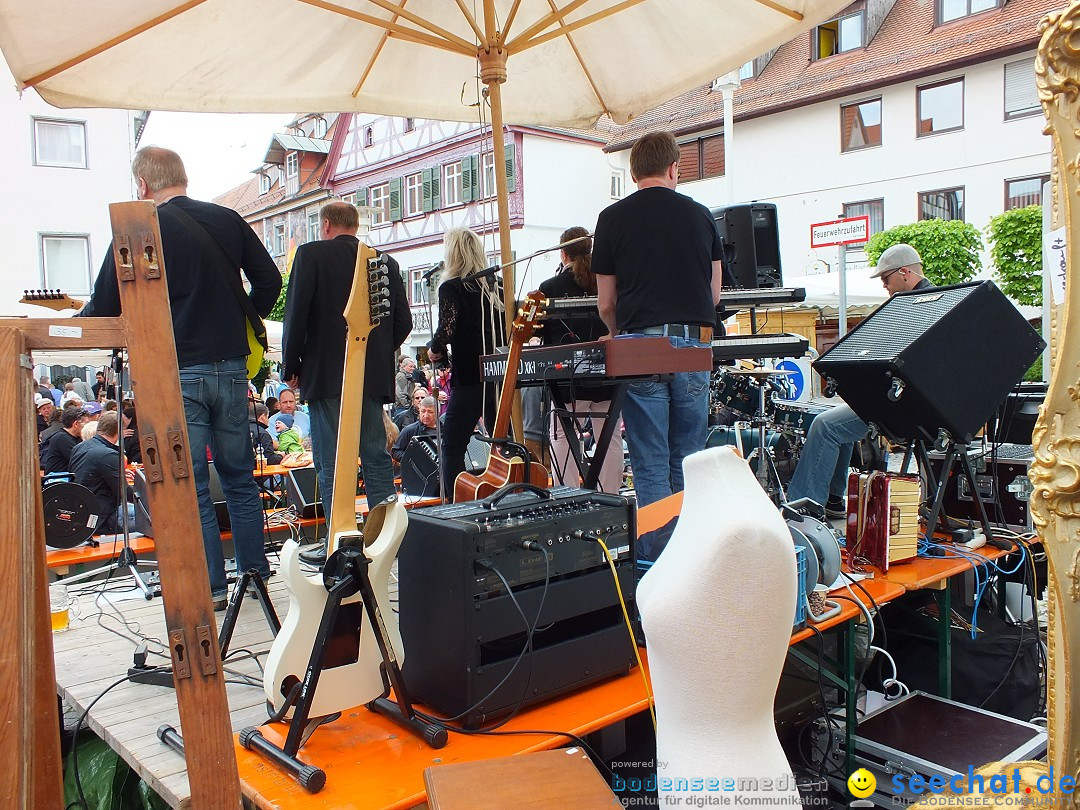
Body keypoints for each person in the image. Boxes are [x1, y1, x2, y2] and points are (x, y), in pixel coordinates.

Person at [80, 146, 282, 609]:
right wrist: (242, 319)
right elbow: (269, 281)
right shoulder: (228, 219)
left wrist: (79, 317)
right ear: (183, 177)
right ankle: (255, 576)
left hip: (180, 368)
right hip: (232, 366)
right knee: (239, 478)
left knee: (189, 481)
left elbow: (106, 303)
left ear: (143, 185)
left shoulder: (141, 225)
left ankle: (212, 586)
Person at [593, 131, 724, 560]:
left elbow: (607, 302)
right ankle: (695, 558)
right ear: (674, 169)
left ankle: (660, 563)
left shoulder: (611, 220)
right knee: (689, 456)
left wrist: (620, 333)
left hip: (639, 347)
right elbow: (715, 295)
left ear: (633, 173)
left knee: (649, 461)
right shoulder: (702, 216)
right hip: (693, 345)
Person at [281, 200, 411, 561]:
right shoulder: (385, 262)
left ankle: (338, 539)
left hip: (325, 374)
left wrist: (291, 366)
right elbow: (404, 322)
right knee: (374, 453)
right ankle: (386, 537)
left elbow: (296, 316)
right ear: (355, 225)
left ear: (326, 225)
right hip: (370, 378)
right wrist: (379, 351)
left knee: (330, 456)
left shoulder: (310, 256)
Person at [787, 244, 932, 516]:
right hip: (898, 399)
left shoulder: (913, 307)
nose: (884, 286)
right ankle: (831, 499)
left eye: (886, 279)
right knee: (832, 421)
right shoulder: (925, 302)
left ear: (904, 273)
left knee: (825, 426)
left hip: (901, 405)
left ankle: (804, 509)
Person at [538, 226, 624, 493]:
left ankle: (568, 496)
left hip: (567, 377)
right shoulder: (607, 281)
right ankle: (609, 497)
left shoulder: (550, 287)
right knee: (610, 437)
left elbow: (542, 332)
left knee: (563, 435)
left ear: (563, 254)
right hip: (607, 372)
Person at [427, 227, 506, 499]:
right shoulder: (496, 287)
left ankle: (455, 503)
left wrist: (435, 349)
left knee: (452, 445)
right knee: (502, 442)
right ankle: (506, 494)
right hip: (499, 375)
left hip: (470, 378)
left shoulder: (452, 287)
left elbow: (447, 329)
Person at [69, 411, 135, 535]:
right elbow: (124, 493)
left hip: (81, 512)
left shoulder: (79, 447)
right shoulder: (108, 455)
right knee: (153, 518)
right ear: (119, 431)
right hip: (101, 517)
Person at [390, 396, 439, 463]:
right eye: (423, 411)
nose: (426, 415)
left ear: (438, 412)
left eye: (430, 412)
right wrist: (412, 460)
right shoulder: (409, 430)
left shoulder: (444, 430)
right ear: (419, 411)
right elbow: (395, 451)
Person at [41, 406, 89, 474]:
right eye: (86, 424)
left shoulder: (77, 437)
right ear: (76, 424)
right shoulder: (61, 438)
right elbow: (81, 460)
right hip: (59, 480)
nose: (87, 427)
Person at [249, 402, 283, 466]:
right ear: (263, 416)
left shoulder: (241, 430)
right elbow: (270, 459)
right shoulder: (262, 433)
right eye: (267, 417)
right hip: (260, 474)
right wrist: (281, 456)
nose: (268, 420)